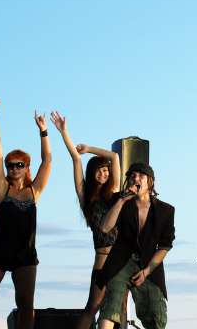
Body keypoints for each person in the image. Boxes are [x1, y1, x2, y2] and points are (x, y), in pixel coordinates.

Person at [0, 98, 52, 329]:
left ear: (26, 168)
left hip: (25, 253)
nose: (14, 168)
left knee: (25, 305)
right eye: (10, 165)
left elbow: (47, 160)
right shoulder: (2, 189)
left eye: (19, 165)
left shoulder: (34, 191)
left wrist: (43, 131)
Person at [50, 110, 121, 328]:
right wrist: (64, 132)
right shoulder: (85, 196)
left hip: (121, 258)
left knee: (117, 309)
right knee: (93, 306)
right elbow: (75, 158)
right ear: (92, 173)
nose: (103, 174)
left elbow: (115, 157)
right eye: (99, 171)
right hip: (102, 257)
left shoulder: (114, 192)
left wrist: (90, 148)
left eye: (106, 171)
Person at [96, 163, 175, 329]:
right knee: (111, 306)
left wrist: (147, 271)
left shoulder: (165, 210)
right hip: (121, 261)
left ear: (150, 182)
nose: (135, 179)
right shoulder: (119, 200)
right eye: (132, 176)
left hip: (148, 264)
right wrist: (122, 200)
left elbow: (165, 246)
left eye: (141, 176)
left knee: (156, 316)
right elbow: (105, 228)